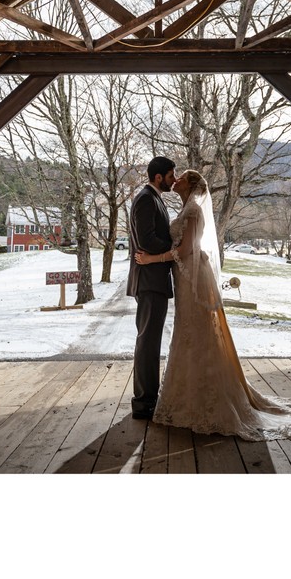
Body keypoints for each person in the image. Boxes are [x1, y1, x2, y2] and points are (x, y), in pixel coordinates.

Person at [136, 169, 291, 441]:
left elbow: (184, 250)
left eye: (181, 177)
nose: (175, 180)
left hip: (193, 280)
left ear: (190, 185)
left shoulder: (192, 211)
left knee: (198, 333)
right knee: (189, 334)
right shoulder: (186, 207)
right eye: (173, 176)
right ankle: (192, 393)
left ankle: (206, 398)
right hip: (185, 278)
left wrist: (151, 260)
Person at [126, 156, 176, 420]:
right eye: (170, 175)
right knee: (147, 343)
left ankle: (147, 399)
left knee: (150, 341)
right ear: (158, 177)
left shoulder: (154, 198)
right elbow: (146, 240)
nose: (173, 180)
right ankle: (143, 403)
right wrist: (175, 249)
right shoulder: (146, 199)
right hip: (149, 280)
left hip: (154, 280)